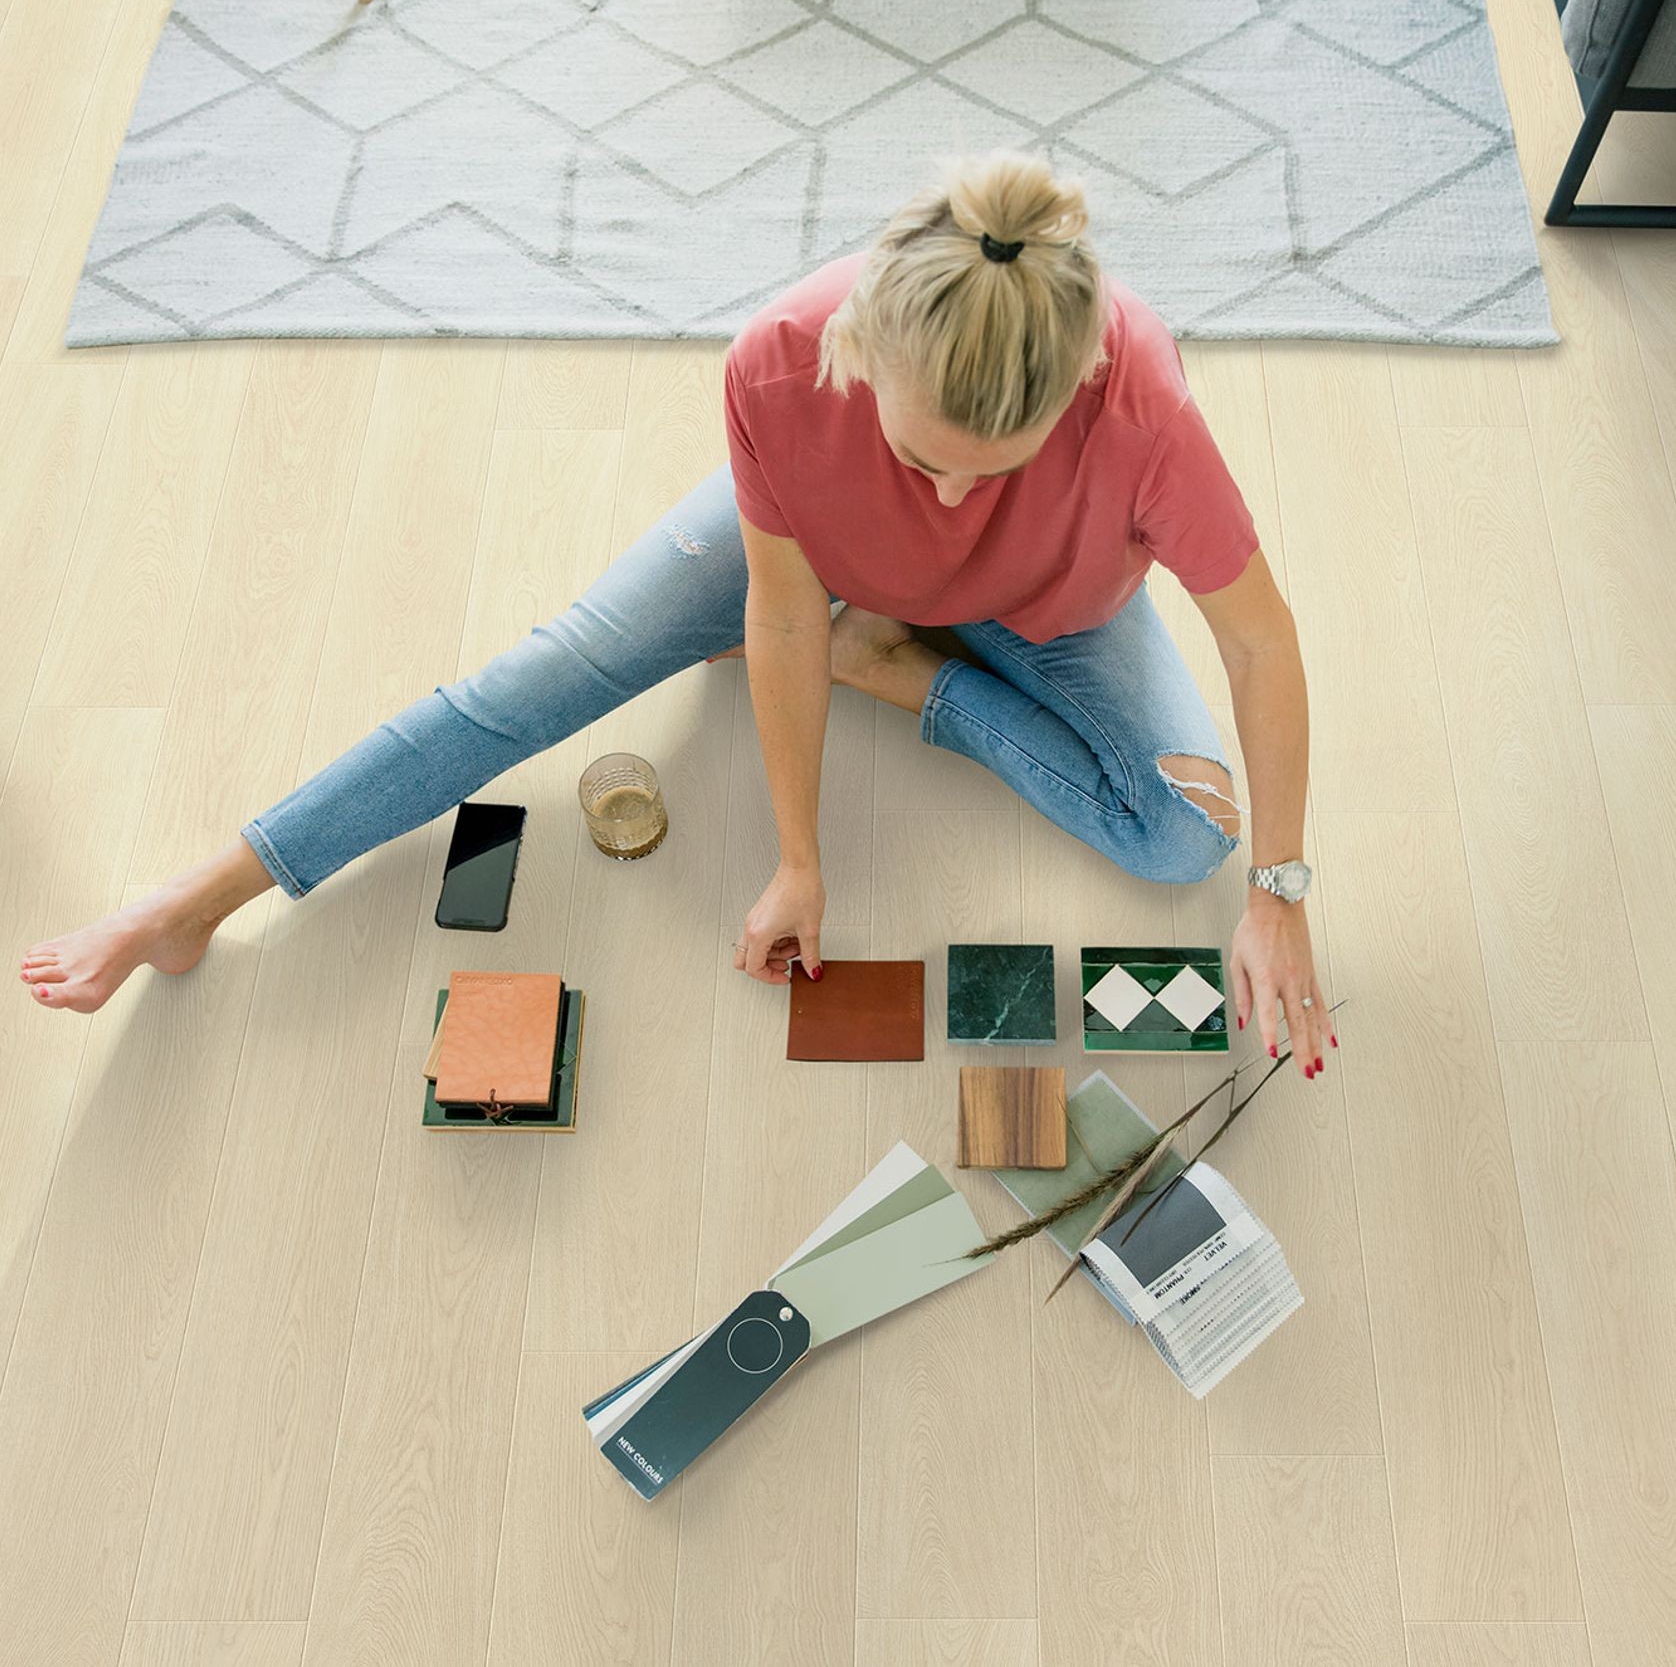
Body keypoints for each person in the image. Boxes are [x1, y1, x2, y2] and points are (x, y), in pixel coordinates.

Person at [18, 148, 1333, 1077]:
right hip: (816, 572)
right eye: (919, 455)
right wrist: (801, 860)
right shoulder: (778, 359)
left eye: (991, 469)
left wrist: (1278, 893)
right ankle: (205, 892)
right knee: (543, 680)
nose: (948, 496)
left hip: (1050, 612)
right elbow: (773, 606)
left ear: (1078, 390)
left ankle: (891, 670)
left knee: (1181, 843)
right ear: (859, 351)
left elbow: (1259, 640)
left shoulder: (1144, 400)